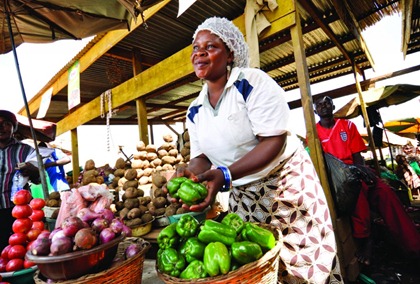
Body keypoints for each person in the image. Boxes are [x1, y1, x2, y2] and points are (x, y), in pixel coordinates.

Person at [167, 17, 342, 283]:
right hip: (243, 198)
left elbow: (274, 140)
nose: (199, 52)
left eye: (211, 46)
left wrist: (225, 175)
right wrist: (187, 173)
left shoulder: (251, 83)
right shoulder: (195, 110)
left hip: (285, 188)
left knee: (303, 265)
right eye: (196, 47)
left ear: (230, 55)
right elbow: (202, 158)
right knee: (257, 270)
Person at [314, 96, 420, 265]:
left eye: (327, 102)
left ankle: (413, 245)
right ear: (315, 111)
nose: (324, 106)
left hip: (354, 170)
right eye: (319, 105)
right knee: (359, 195)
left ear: (333, 105)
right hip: (335, 180)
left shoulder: (347, 126)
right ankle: (367, 241)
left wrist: (360, 171)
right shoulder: (313, 134)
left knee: (385, 193)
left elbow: (357, 157)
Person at [0, 110, 40, 251]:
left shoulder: (26, 150)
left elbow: (38, 180)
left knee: (19, 250)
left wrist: (33, 171)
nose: (1, 127)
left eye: (6, 123)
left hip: (18, 212)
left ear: (13, 127)